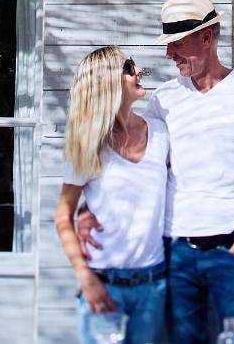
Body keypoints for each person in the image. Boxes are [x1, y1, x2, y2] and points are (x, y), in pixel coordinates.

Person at [79, 0, 234, 344]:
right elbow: (128, 164)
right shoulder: (163, 100)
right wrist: (84, 208)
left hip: (231, 248)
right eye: (168, 45)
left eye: (177, 45)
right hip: (175, 254)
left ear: (207, 37)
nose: (168, 55)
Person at [55, 46, 169, 344]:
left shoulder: (160, 133)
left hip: (153, 287)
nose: (139, 70)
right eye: (129, 67)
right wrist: (84, 277)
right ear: (108, 81)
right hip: (103, 288)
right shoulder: (88, 144)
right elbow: (62, 217)